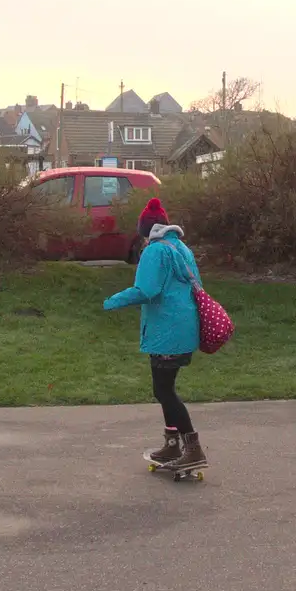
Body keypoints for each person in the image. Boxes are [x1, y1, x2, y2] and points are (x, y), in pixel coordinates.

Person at [103, 197, 208, 474]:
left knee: (163, 390)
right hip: (183, 326)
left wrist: (112, 301)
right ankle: (172, 443)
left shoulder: (154, 251)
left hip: (167, 330)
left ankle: (192, 448)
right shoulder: (181, 247)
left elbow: (146, 290)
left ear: (145, 229)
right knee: (165, 388)